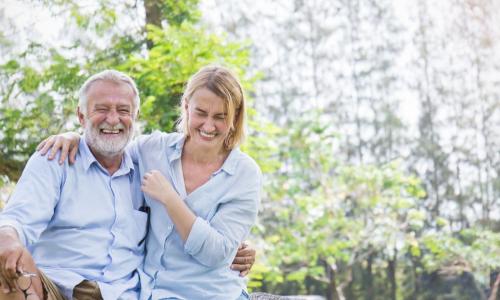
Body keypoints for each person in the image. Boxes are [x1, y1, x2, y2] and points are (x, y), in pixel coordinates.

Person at [0, 69, 254, 300]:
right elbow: (19, 218)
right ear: (81, 115)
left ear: (135, 116)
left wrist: (236, 248)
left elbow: (218, 248)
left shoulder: (145, 161)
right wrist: (8, 237)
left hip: (122, 293)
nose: (113, 120)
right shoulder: (59, 159)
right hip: (56, 287)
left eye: (123, 110)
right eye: (101, 109)